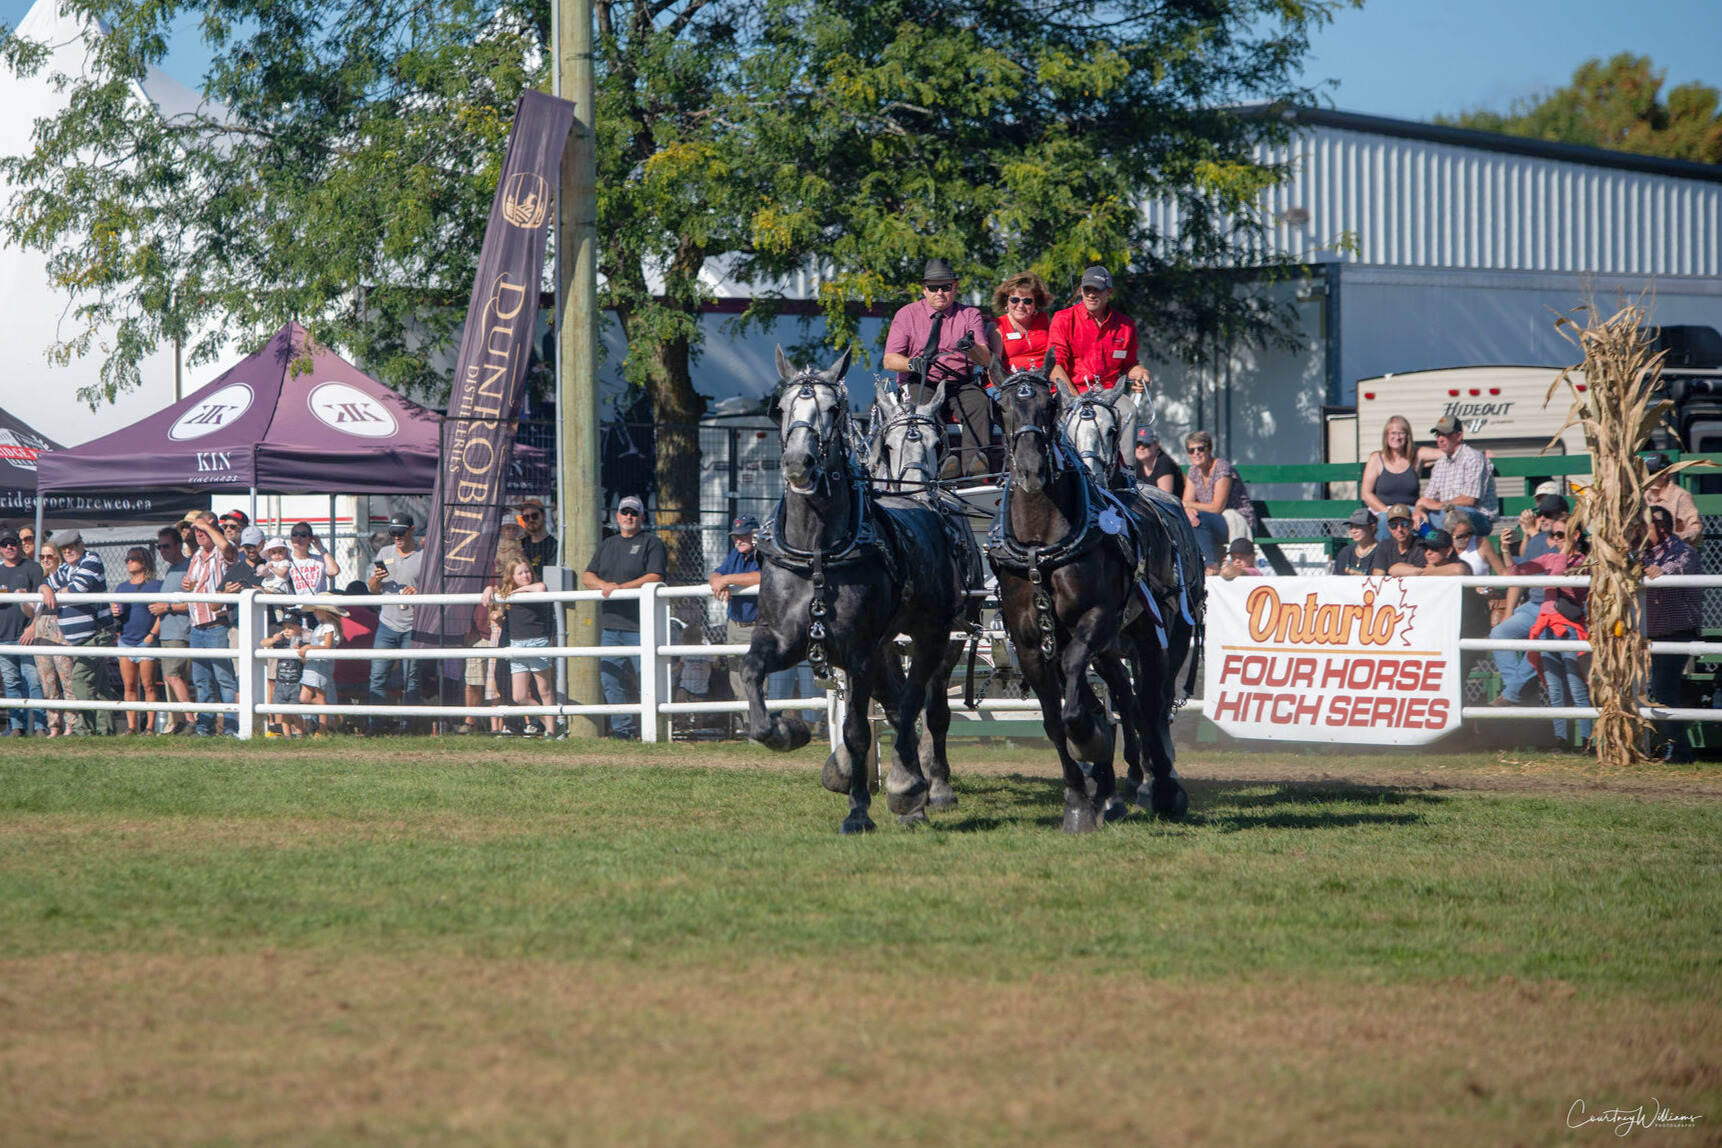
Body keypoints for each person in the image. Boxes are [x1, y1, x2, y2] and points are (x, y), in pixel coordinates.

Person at [882, 257, 994, 478]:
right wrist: (911, 363)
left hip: (959, 382)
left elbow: (986, 359)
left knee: (980, 403)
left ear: (955, 287)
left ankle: (975, 471)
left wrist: (970, 348)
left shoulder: (970, 315)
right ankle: (944, 466)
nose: (940, 293)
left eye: (946, 287)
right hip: (920, 380)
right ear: (924, 289)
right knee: (924, 408)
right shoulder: (907, 314)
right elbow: (889, 360)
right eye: (933, 288)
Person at [582, 495, 667, 739]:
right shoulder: (607, 545)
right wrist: (605, 586)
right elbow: (588, 576)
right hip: (610, 627)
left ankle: (655, 728)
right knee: (610, 679)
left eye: (633, 513)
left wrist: (621, 588)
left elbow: (654, 576)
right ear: (617, 516)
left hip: (642, 627)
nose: (628, 517)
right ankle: (623, 730)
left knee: (647, 679)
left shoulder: (651, 542)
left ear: (642, 517)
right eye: (624, 512)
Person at [1487, 494, 1570, 708]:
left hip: (1558, 608)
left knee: (1538, 639)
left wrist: (1530, 533)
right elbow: (1518, 575)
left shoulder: (1568, 539)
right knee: (1499, 633)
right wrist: (1508, 612)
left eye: (1548, 515)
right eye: (1540, 514)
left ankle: (1512, 694)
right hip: (1533, 605)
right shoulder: (1536, 539)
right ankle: (1515, 690)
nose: (1542, 518)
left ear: (1563, 515)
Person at [1514, 524, 1592, 747]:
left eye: (1560, 535)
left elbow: (1557, 579)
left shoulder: (1583, 562)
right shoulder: (1552, 557)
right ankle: (1562, 741)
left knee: (1576, 686)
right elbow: (1516, 571)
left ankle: (1586, 740)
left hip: (1569, 627)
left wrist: (1561, 553)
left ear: (1575, 535)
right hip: (1547, 626)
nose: (1555, 539)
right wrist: (1506, 550)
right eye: (1553, 535)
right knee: (1554, 687)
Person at [1643, 505, 1702, 762]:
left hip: (1676, 633)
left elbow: (1675, 569)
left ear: (1661, 527)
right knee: (1654, 689)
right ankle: (1655, 747)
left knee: (1664, 690)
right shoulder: (1641, 555)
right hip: (1648, 635)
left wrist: (1659, 572)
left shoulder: (1683, 552)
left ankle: (1680, 752)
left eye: (1644, 526)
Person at [47, 529, 116, 736]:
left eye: (72, 546)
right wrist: (46, 590)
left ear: (81, 544)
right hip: (80, 638)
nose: (69, 551)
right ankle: (106, 731)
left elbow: (79, 589)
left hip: (96, 633)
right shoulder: (65, 568)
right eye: (64, 548)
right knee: (100, 684)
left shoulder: (91, 560)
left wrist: (60, 590)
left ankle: (84, 728)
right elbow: (47, 583)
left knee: (80, 680)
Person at [1046, 265, 1152, 396]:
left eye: (1097, 290)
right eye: (1087, 289)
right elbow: (1054, 365)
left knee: (1129, 413)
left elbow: (1129, 365)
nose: (1091, 294)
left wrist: (1142, 374)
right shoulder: (1063, 319)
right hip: (1071, 394)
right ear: (1081, 290)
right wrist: (1075, 399)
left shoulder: (1126, 325)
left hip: (1109, 397)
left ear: (1110, 292)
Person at [486, 556, 556, 738]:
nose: (525, 575)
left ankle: (551, 731)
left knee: (544, 690)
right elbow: (495, 600)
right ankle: (552, 722)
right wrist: (489, 591)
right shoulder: (506, 595)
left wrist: (516, 592)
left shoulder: (534, 588)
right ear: (512, 576)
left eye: (527, 572)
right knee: (519, 696)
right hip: (516, 645)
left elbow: (541, 588)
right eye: (520, 573)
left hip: (537, 643)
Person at [366, 512, 423, 734]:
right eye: (393, 533)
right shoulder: (384, 552)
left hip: (413, 626)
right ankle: (375, 726)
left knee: (411, 680)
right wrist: (375, 579)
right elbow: (372, 589)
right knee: (377, 676)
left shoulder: (424, 556)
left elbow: (435, 588)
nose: (396, 537)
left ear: (412, 530)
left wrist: (419, 592)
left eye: (400, 532)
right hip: (387, 624)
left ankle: (410, 728)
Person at [182, 515, 239, 737]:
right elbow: (191, 583)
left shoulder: (221, 553)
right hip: (196, 625)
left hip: (217, 624)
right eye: (196, 530)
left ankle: (231, 728)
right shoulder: (196, 555)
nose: (199, 533)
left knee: (224, 679)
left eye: (203, 529)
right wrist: (186, 584)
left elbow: (226, 546)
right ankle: (204, 726)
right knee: (201, 680)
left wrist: (206, 525)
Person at [1182, 430, 1254, 572]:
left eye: (1200, 448)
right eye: (1191, 450)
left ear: (1209, 450)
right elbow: (1186, 503)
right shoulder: (1193, 471)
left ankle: (1211, 566)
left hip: (1235, 518)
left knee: (1199, 519)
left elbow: (1217, 507)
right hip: (1212, 520)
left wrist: (1188, 506)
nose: (1196, 453)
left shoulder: (1222, 468)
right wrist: (1188, 510)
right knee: (1191, 519)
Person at [109, 546, 163, 735]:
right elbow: (116, 611)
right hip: (126, 640)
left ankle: (149, 727)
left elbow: (161, 614)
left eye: (134, 558)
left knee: (148, 684)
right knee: (129, 685)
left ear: (144, 561)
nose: (129, 561)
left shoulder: (156, 585)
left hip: (146, 640)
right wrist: (114, 611)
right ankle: (131, 726)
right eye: (127, 559)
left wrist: (152, 635)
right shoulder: (122, 587)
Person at [1417, 415, 1497, 536]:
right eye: (1438, 435)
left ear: (1459, 436)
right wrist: (1419, 510)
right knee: (1408, 517)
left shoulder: (1473, 458)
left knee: (1451, 515)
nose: (1440, 439)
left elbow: (1470, 499)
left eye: (1445, 434)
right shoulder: (1440, 464)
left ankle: (1434, 541)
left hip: (1478, 517)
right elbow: (1428, 498)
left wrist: (1439, 505)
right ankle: (1428, 546)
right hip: (1448, 513)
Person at [149, 525, 195, 733]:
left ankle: (190, 720)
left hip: (180, 631)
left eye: (167, 546)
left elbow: (194, 603)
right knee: (173, 678)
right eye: (160, 547)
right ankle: (178, 721)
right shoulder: (170, 570)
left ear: (179, 545)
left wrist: (166, 607)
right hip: (167, 631)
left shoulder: (188, 568)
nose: (163, 550)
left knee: (172, 675)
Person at [0, 528, 45, 737]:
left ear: (19, 544)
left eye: (13, 543)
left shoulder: (33, 568)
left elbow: (43, 604)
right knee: (11, 683)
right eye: (4, 544)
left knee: (33, 680)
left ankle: (39, 726)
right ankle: (16, 727)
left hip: (28, 636)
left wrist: (33, 626)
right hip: (3, 637)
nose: (9, 547)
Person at [1361, 415, 1438, 536]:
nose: (1397, 437)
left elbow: (1445, 452)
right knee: (1382, 522)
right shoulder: (1377, 458)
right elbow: (1366, 494)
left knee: (1430, 522)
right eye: (1393, 433)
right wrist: (1388, 512)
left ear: (1408, 436)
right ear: (1386, 436)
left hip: (1411, 513)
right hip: (1384, 512)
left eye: (1401, 433)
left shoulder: (1417, 455)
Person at [30, 541, 73, 737]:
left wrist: (48, 588)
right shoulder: (40, 580)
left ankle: (72, 724)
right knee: (47, 680)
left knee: (67, 678)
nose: (46, 560)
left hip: (61, 626)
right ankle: (54, 725)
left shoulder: (67, 576)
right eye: (42, 557)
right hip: (41, 628)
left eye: (50, 556)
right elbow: (31, 611)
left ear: (58, 557)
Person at [987, 272, 1052, 376]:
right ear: (1006, 301)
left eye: (1027, 301)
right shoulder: (997, 326)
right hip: (1011, 383)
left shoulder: (1044, 320)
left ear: (1036, 303)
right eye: (1015, 300)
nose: (1021, 305)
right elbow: (994, 367)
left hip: (1044, 381)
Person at [297, 603, 345, 735]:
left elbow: (327, 646)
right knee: (304, 698)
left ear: (326, 611)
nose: (315, 612)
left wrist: (308, 648)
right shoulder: (320, 627)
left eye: (317, 610)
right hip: (312, 665)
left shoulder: (329, 626)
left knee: (320, 696)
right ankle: (332, 710)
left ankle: (322, 729)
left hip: (321, 664)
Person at [260, 610, 308, 738]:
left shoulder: (301, 643)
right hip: (280, 682)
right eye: (285, 628)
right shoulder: (281, 642)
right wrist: (273, 639)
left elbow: (305, 661)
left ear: (299, 629)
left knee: (296, 711)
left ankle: (299, 734)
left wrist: (300, 651)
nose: (286, 631)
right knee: (284, 711)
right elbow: (263, 643)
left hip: (295, 683)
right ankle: (287, 735)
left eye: (291, 628)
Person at [1644, 454, 1702, 544]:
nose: (1646, 477)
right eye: (1644, 473)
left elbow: (1696, 530)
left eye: (1651, 473)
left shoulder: (1680, 496)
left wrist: (1671, 539)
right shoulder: (1642, 497)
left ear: (1664, 474)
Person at [285, 521, 340, 595]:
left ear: (310, 539)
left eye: (303, 534)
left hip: (316, 605)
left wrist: (321, 548)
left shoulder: (319, 560)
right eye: (295, 534)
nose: (298, 537)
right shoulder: (285, 560)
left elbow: (333, 571)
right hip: (295, 605)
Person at [1387, 528, 1470, 577]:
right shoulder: (1426, 567)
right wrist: (1422, 571)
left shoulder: (1459, 563)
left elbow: (1459, 570)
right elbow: (1393, 570)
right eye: (1425, 548)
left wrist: (1432, 571)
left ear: (1448, 551)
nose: (1428, 552)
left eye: (1434, 548)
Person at [1130, 426, 1184, 498]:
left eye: (1146, 444)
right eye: (1137, 444)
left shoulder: (1164, 462)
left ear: (1156, 445)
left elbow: (1165, 497)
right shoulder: (1137, 463)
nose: (1141, 448)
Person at [1369, 505, 1421, 575]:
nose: (1399, 529)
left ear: (1411, 524)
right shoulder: (1385, 546)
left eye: (1404, 524)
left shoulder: (1420, 547)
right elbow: (1378, 577)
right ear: (1388, 527)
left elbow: (1422, 575)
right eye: (1394, 525)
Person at [516, 498, 558, 577]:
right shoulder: (521, 544)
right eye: (526, 518)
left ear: (544, 515)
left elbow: (551, 576)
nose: (531, 520)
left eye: (534, 516)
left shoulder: (554, 546)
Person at [1331, 508, 1378, 575]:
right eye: (1351, 526)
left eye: (1359, 526)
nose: (1353, 531)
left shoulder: (1380, 553)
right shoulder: (1345, 553)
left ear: (1372, 527)